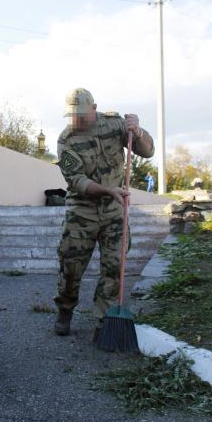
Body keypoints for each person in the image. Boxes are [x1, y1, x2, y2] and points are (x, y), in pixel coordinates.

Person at [53, 88, 155, 341]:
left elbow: (147, 151)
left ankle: (104, 321)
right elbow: (76, 180)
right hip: (82, 212)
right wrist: (108, 190)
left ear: (94, 108)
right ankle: (65, 308)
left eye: (81, 114)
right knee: (71, 267)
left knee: (114, 268)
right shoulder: (66, 139)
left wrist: (138, 132)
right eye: (73, 115)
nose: (77, 119)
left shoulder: (115, 124)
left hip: (114, 212)